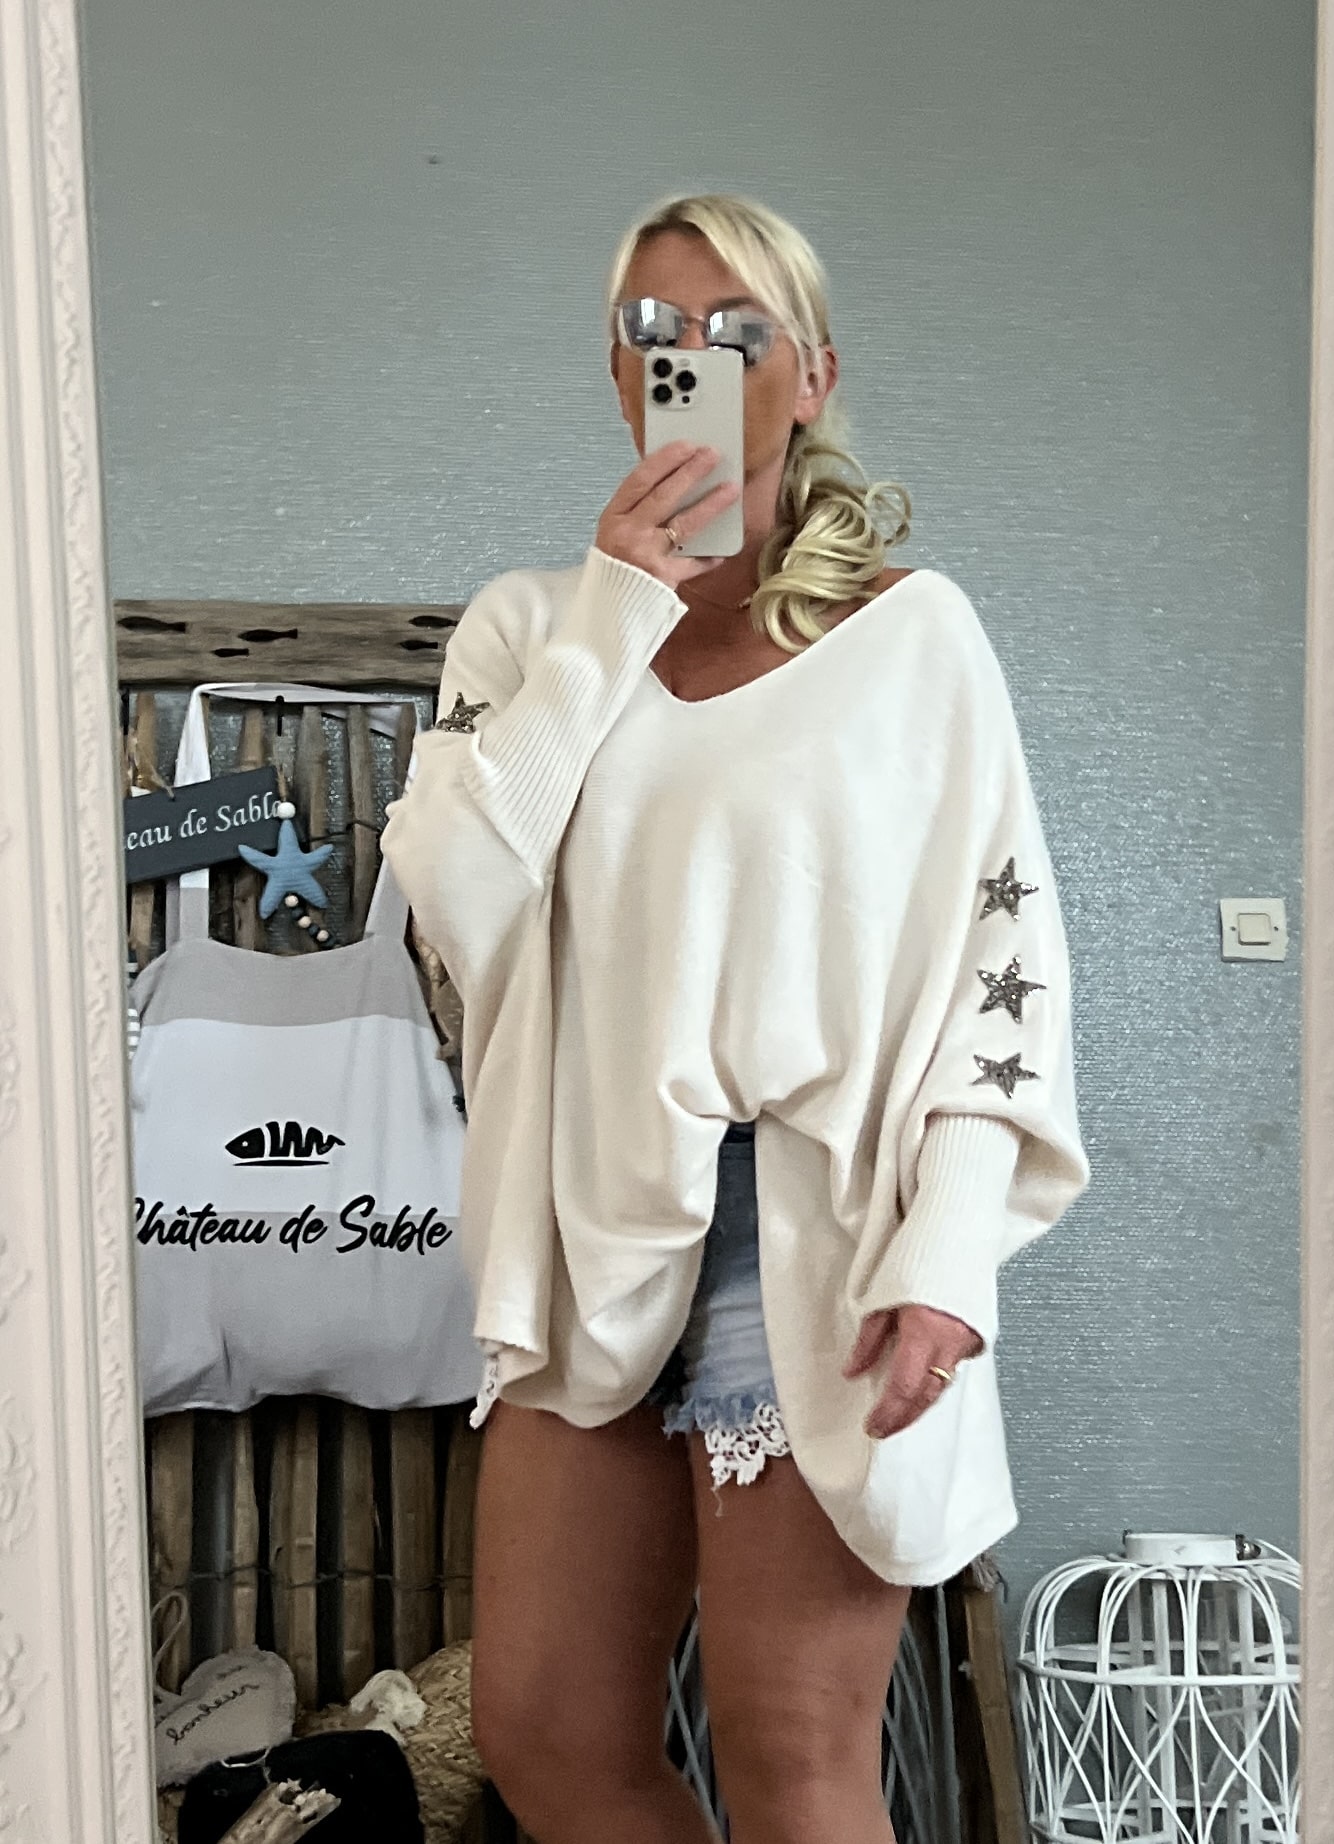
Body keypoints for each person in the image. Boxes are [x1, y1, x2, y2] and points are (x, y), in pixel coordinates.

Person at [380, 192, 1089, 1844]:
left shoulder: (912, 638)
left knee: (792, 1753)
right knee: (545, 1730)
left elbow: (1003, 962)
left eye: (736, 331)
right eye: (652, 332)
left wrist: (952, 1247)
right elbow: (457, 898)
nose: (687, 357)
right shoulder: (530, 628)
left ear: (813, 375)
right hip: (587, 1209)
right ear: (613, 372)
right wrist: (614, 617)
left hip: (813, 1213)